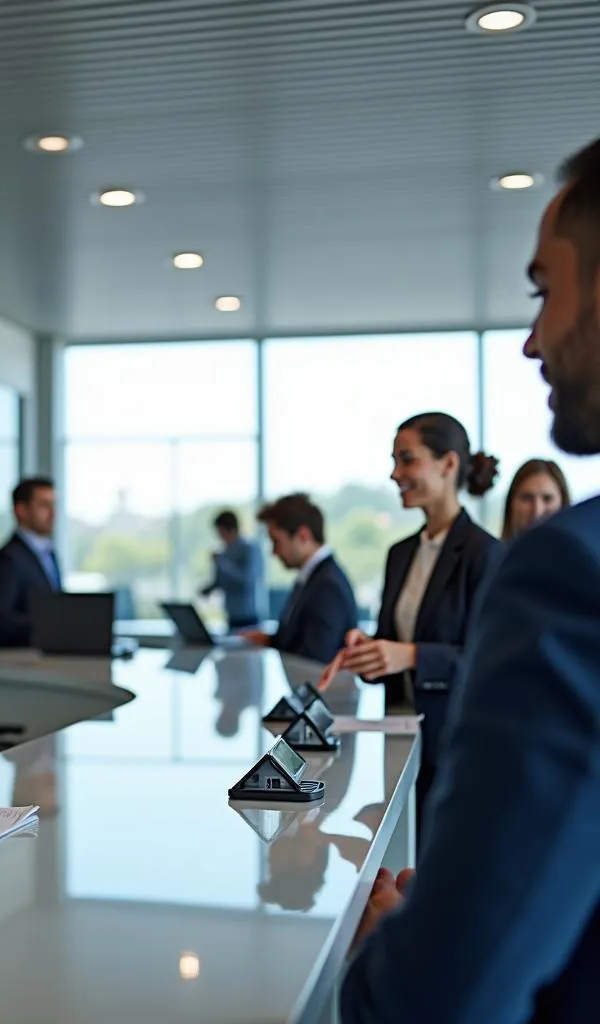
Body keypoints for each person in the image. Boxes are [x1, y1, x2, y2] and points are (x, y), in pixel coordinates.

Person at [340, 137, 600, 1022]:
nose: (532, 339)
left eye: (545, 291)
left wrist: (384, 953)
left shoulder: (568, 571)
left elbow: (448, 994)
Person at [335, 412, 500, 826]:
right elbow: (392, 645)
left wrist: (409, 656)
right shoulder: (400, 554)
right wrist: (370, 652)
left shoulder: (486, 555)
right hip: (399, 743)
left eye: (407, 459)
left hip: (454, 750)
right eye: (394, 460)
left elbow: (490, 664)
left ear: (448, 464)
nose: (395, 473)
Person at [241, 493, 358, 664]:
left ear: (303, 536)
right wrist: (268, 640)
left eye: (276, 541)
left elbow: (314, 659)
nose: (274, 552)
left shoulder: (327, 586)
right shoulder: (312, 579)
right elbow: (298, 639)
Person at [0, 476, 61, 648]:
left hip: (47, 660)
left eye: (53, 505)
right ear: (21, 510)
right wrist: (52, 623)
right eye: (44, 505)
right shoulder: (7, 559)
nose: (53, 513)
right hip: (18, 663)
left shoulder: (50, 554)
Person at [199, 509, 265, 630]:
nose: (218, 536)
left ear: (226, 529)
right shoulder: (223, 552)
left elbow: (248, 580)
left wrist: (222, 563)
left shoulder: (250, 549)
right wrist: (206, 590)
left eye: (219, 531)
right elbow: (221, 583)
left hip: (248, 618)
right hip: (231, 617)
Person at [500, 457, 570, 541]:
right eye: (527, 498)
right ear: (511, 504)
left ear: (563, 504)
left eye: (547, 499)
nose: (537, 510)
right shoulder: (493, 553)